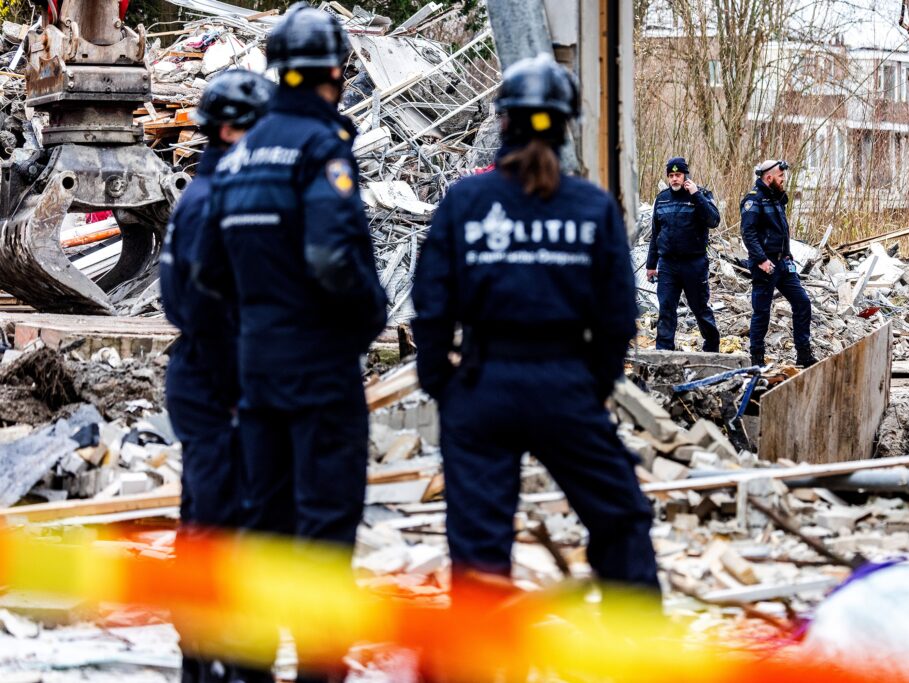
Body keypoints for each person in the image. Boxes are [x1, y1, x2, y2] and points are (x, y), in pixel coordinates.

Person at [412, 53, 660, 609]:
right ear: (566, 125)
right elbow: (619, 315)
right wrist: (589, 385)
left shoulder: (466, 201)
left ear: (503, 119)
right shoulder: (591, 207)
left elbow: (430, 304)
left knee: (478, 549)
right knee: (621, 520)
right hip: (565, 387)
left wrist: (444, 385)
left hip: (482, 388)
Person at [193, 4, 387, 680]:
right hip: (319, 369)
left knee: (263, 530)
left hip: (257, 369)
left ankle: (247, 669)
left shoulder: (242, 153)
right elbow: (333, 258)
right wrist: (369, 316)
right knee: (324, 531)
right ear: (336, 69)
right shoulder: (318, 147)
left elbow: (207, 270)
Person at [159, 68, 272, 683]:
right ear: (229, 129)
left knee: (212, 513)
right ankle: (209, 654)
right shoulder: (218, 200)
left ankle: (212, 651)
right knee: (216, 516)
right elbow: (191, 302)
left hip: (215, 379)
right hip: (215, 382)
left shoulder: (214, 193)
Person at [741, 159, 817, 368]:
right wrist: (762, 260)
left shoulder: (776, 198)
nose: (783, 180)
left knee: (802, 303)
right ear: (769, 177)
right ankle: (756, 359)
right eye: (780, 176)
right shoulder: (753, 201)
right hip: (764, 266)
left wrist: (788, 254)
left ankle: (803, 354)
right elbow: (748, 234)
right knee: (762, 312)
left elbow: (782, 230)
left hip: (782, 264)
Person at [645, 157, 721, 351]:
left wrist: (696, 195)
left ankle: (712, 348)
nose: (674, 179)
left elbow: (713, 220)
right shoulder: (662, 199)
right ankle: (664, 352)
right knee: (666, 309)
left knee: (700, 308)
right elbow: (656, 234)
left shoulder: (700, 195)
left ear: (686, 175)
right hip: (668, 265)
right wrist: (651, 265)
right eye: (671, 176)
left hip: (694, 264)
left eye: (678, 175)